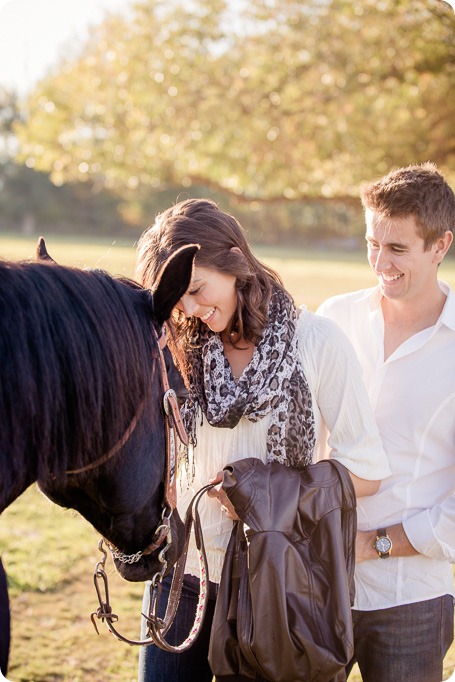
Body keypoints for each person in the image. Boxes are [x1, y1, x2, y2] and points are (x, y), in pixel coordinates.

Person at [135, 198, 390, 682]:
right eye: (177, 298)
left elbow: (368, 472)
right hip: (181, 576)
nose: (188, 308)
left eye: (196, 289)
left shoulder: (318, 342)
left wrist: (266, 493)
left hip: (273, 581)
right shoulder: (174, 346)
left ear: (233, 260)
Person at [317, 162, 455, 682]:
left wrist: (376, 545)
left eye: (397, 249)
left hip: (411, 600)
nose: (379, 261)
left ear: (440, 246)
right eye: (373, 243)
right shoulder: (334, 318)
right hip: (315, 585)